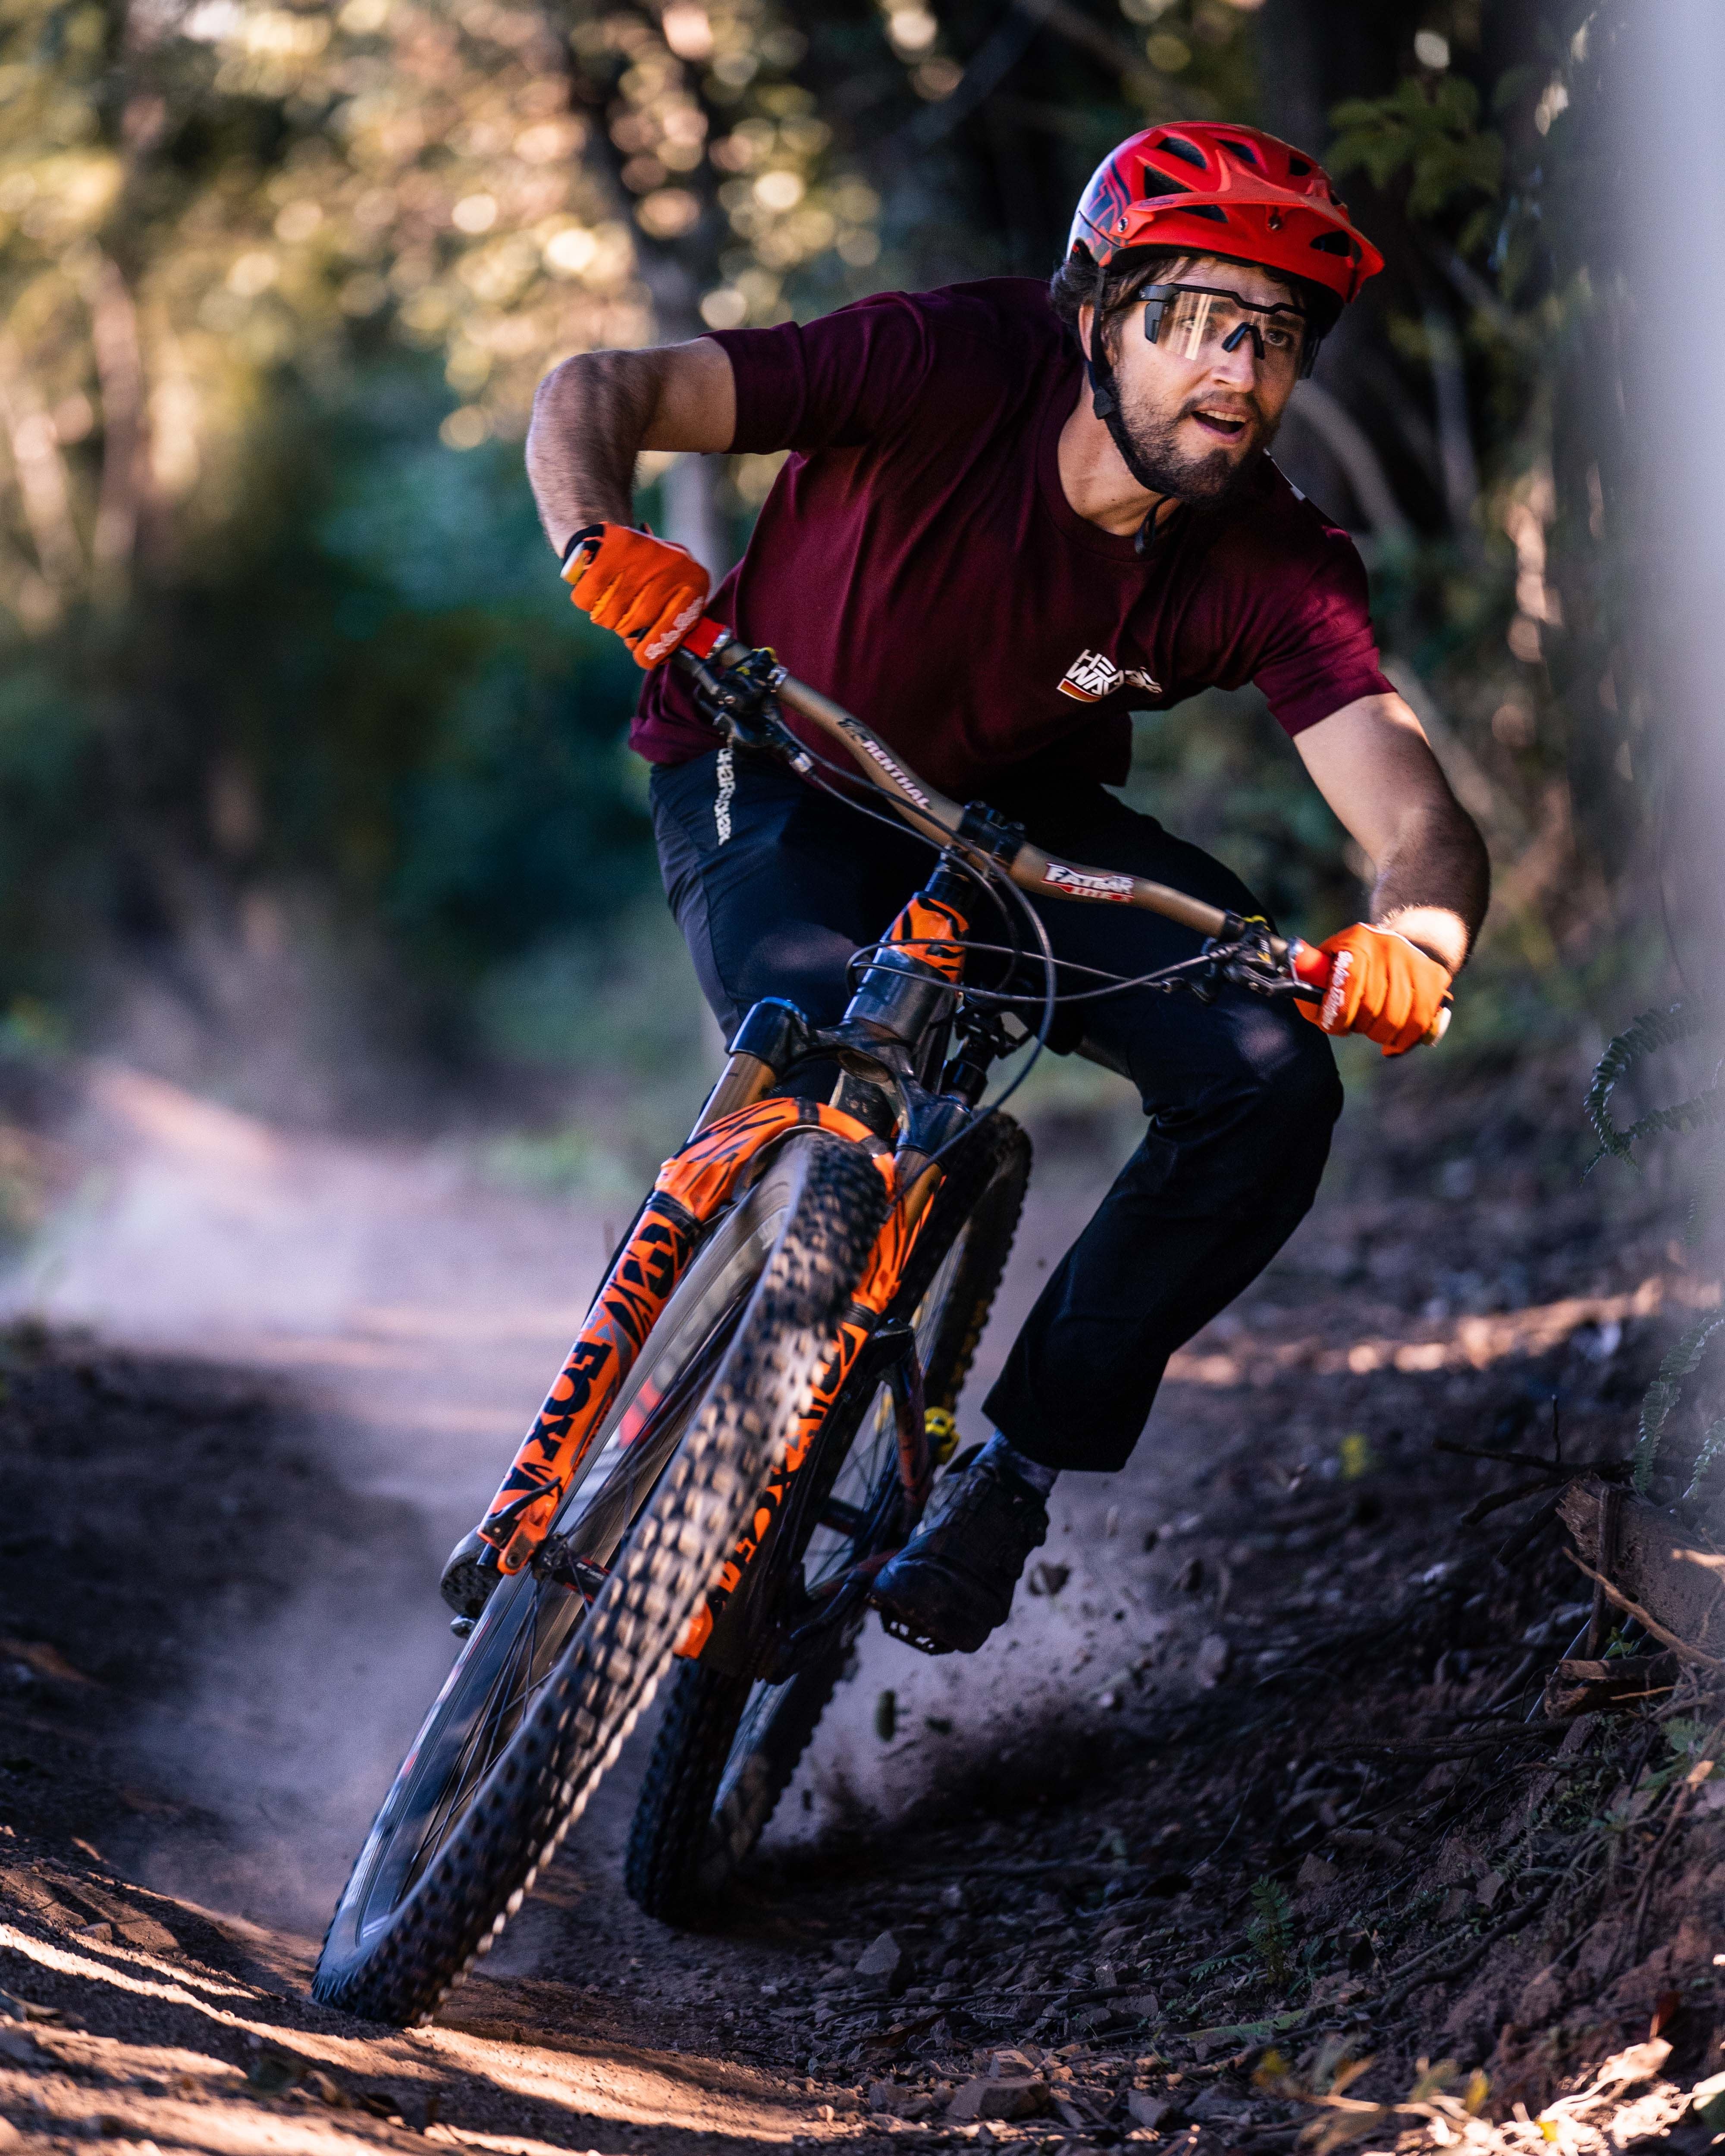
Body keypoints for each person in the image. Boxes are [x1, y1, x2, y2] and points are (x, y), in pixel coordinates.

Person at [523, 122, 1489, 1655]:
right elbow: (602, 392)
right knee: (824, 1010)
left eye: (1276, 337)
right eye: (1193, 320)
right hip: (772, 750)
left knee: (1266, 1085)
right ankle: (706, 1385)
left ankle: (1012, 1471)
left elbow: (1414, 809)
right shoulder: (943, 362)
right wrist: (601, 538)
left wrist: (1414, 939)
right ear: (1097, 310)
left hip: (1010, 823)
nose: (1234, 372)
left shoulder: (1271, 560)